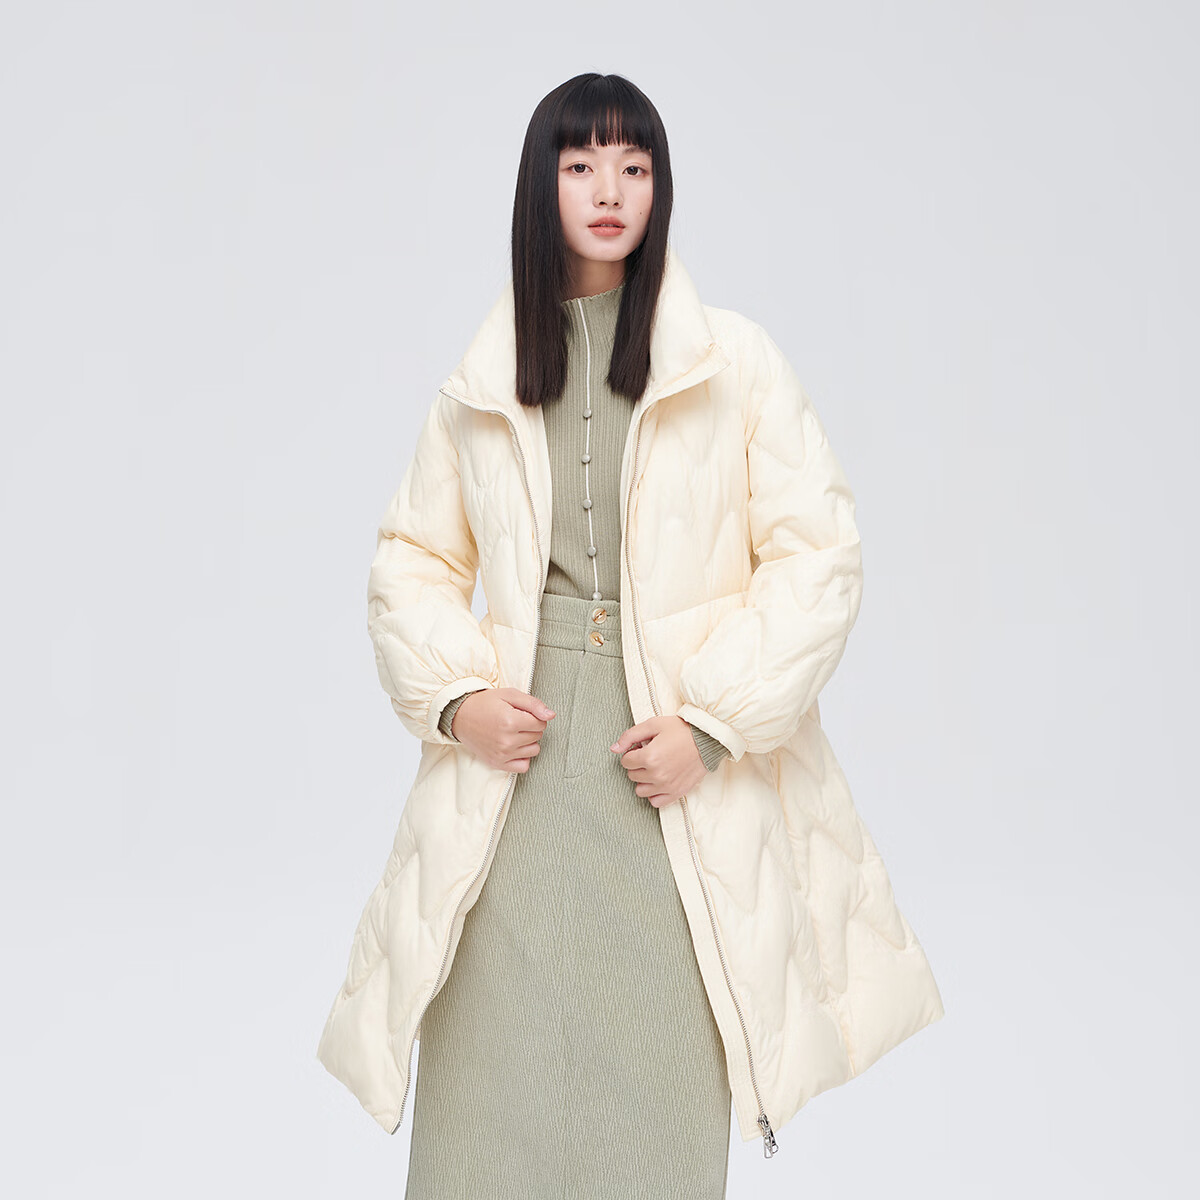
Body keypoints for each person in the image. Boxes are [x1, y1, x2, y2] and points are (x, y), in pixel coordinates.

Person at [316, 72, 945, 1200]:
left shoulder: (732, 362)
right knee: (485, 1084)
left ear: (660, 187)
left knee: (664, 1078)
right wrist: (459, 702)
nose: (609, 190)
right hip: (516, 767)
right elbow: (409, 562)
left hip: (667, 770)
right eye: (581, 165)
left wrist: (712, 726)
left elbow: (820, 557)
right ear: (541, 185)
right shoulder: (483, 380)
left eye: (634, 166)